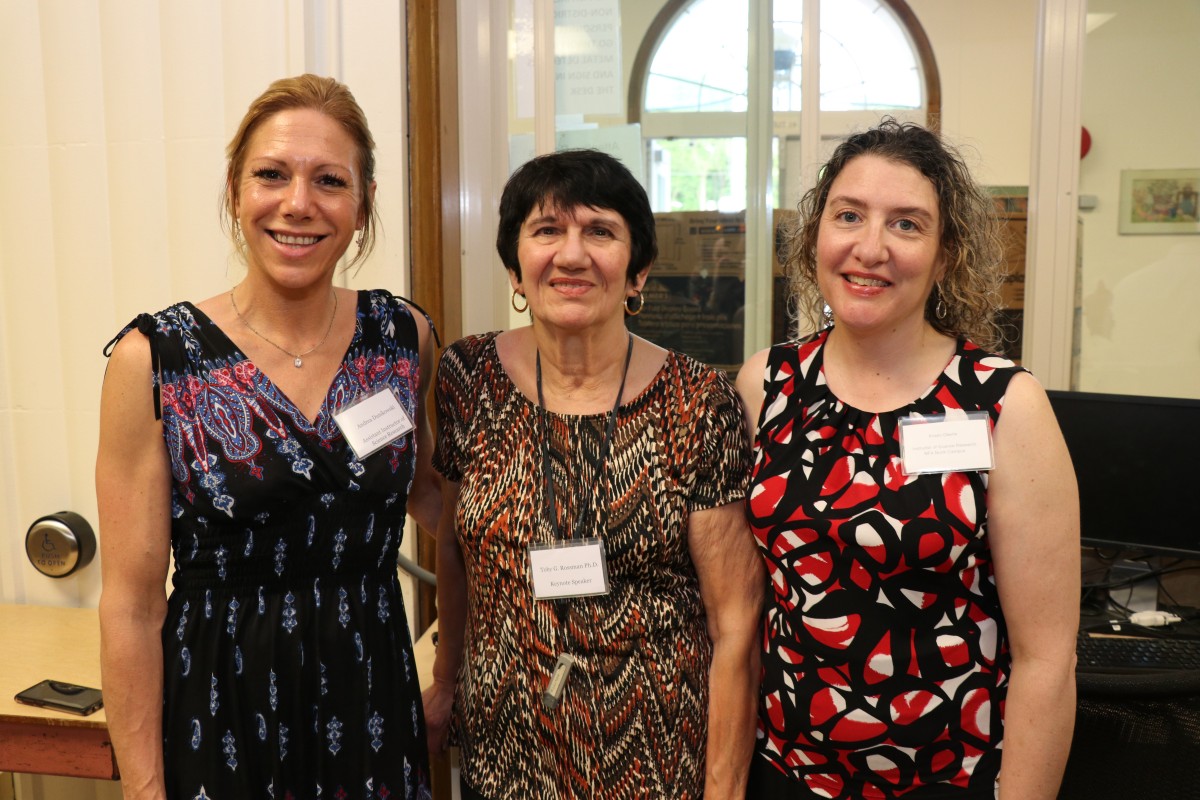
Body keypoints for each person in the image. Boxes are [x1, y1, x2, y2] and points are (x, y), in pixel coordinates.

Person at [97, 74, 439, 800]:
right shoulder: (157, 360)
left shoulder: (404, 337)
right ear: (234, 189)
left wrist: (459, 669)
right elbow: (130, 605)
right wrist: (143, 789)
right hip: (220, 713)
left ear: (363, 203)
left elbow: (444, 506)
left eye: (330, 181)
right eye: (272, 175)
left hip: (369, 695)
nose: (298, 204)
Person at [736, 119, 1080, 799]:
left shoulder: (1004, 403)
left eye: (907, 224)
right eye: (849, 216)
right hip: (785, 774)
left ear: (945, 255)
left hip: (946, 778)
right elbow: (744, 613)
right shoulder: (766, 385)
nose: (871, 248)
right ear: (815, 240)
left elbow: (1047, 659)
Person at [422, 149, 764, 799]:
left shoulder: (699, 403)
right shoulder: (469, 378)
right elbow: (454, 548)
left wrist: (724, 788)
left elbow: (735, 622)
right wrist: (445, 680)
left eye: (600, 231)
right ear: (515, 266)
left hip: (654, 757)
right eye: (547, 230)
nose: (572, 255)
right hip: (506, 755)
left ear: (638, 273)